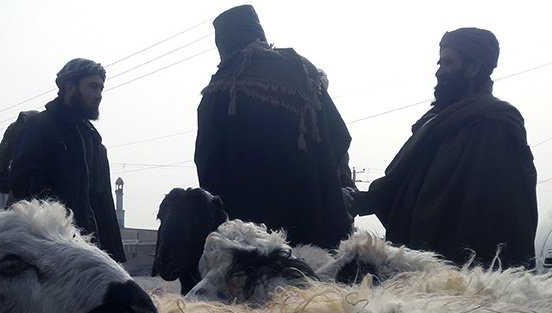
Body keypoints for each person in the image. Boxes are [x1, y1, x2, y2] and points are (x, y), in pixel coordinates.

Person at [346, 28, 537, 268]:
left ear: (474, 68)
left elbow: (498, 212)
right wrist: (362, 200)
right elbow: (402, 185)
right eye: (440, 63)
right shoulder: (434, 122)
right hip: (416, 263)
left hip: (465, 270)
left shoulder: (495, 124)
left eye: (449, 63)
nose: (440, 72)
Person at [195, 4, 354, 250]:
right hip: (319, 224)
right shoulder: (304, 72)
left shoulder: (222, 86)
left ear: (223, 46)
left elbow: (206, 162)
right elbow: (341, 137)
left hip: (254, 239)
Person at [9, 58, 126, 263]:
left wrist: (113, 257)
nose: (98, 95)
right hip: (50, 252)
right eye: (92, 87)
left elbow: (103, 202)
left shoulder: (93, 139)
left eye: (100, 88)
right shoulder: (40, 127)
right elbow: (25, 185)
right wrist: (63, 227)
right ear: (70, 87)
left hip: (89, 252)